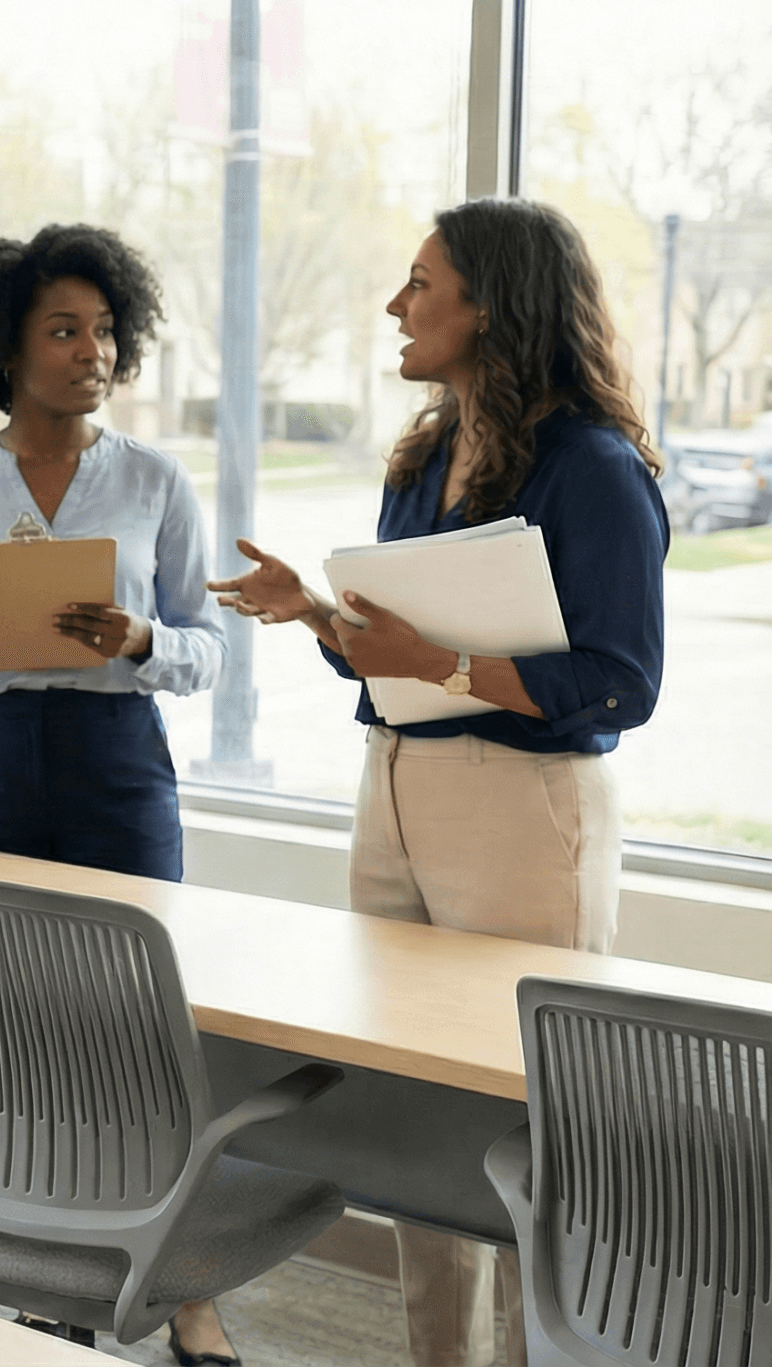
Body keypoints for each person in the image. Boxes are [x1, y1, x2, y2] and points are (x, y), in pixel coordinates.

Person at [210, 197, 667, 1367]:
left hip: (522, 813)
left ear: (491, 304)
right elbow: (398, 660)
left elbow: (620, 681)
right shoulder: (421, 454)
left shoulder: (593, 466)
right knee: (411, 1110)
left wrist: (441, 661)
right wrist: (314, 614)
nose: (394, 305)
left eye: (419, 282)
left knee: (528, 1123)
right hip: (395, 783)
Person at [0, 223, 235, 1363]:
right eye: (62, 330)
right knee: (0, 1019)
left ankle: (185, 1287)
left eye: (102, 329)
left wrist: (140, 637)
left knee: (140, 1021)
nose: (92, 350)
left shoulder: (152, 481)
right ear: (3, 348)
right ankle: (27, 1265)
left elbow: (208, 649)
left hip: (114, 755)